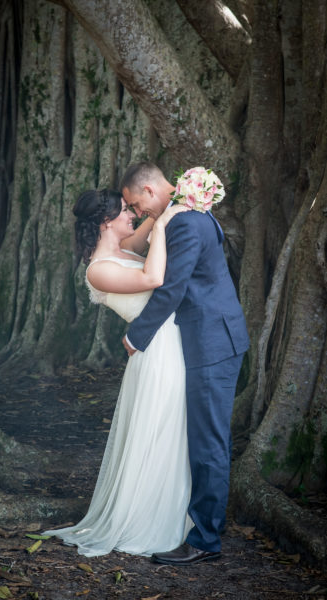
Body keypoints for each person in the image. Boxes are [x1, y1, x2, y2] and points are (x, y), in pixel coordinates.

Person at [43, 188, 192, 557]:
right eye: (126, 211)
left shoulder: (124, 247)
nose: (132, 216)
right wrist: (164, 224)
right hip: (156, 352)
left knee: (175, 429)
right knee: (161, 430)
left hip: (172, 343)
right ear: (106, 222)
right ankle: (147, 520)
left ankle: (176, 510)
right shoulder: (99, 270)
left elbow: (153, 217)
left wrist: (182, 195)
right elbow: (153, 278)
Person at [121, 162, 250, 566]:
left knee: (208, 443)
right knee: (211, 439)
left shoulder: (186, 222)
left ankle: (205, 540)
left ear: (147, 190)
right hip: (215, 337)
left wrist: (135, 337)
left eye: (135, 204)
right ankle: (207, 524)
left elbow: (172, 288)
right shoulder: (186, 214)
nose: (137, 213)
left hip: (213, 342)